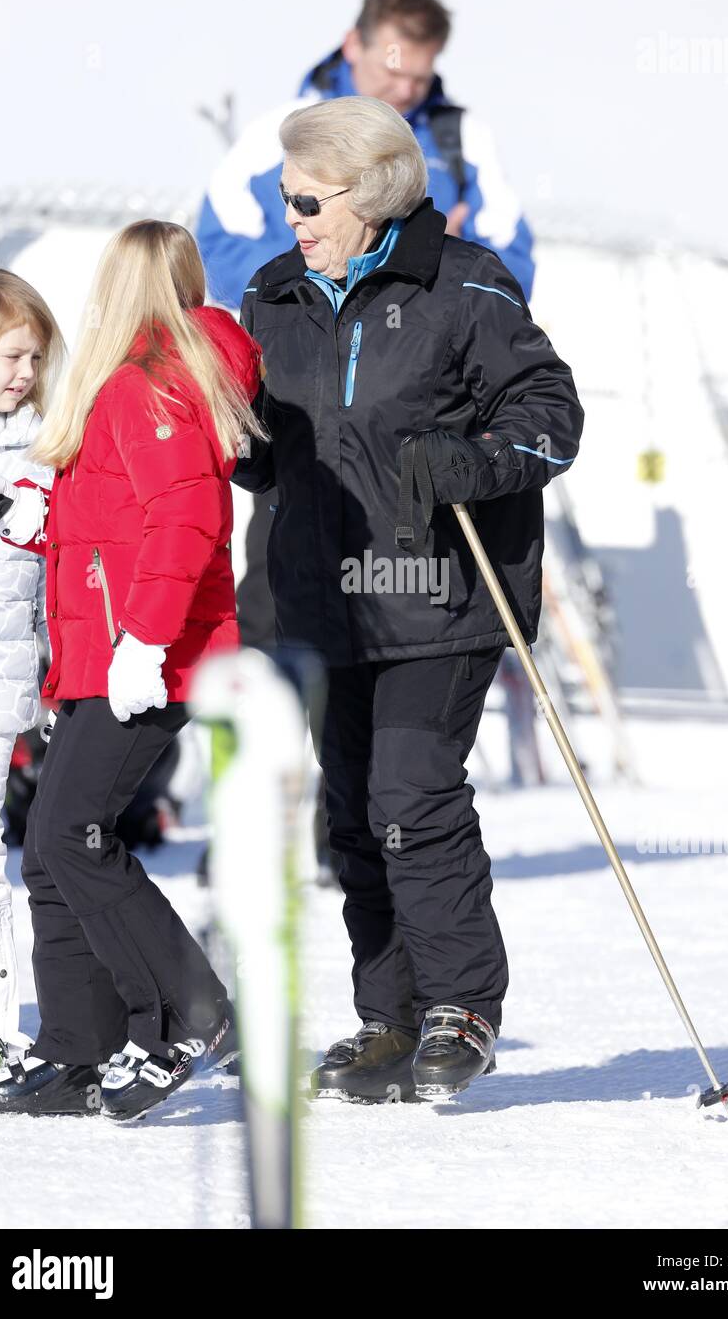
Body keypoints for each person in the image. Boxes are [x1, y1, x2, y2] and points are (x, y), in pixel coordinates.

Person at [232, 96, 584, 1103]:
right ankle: (385, 1017)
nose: (289, 212)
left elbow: (550, 420)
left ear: (371, 190)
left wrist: (467, 460)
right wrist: (228, 437)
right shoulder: (273, 294)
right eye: (282, 192)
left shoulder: (463, 286)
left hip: (436, 591)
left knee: (410, 797)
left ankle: (459, 1004)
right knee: (351, 817)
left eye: (306, 195)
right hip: (320, 597)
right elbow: (270, 461)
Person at [0, 221, 264, 1122]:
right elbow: (108, 522)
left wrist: (143, 640)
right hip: (105, 657)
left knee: (69, 839)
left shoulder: (151, 386)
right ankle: (75, 1047)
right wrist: (34, 517)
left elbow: (185, 523)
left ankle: (190, 1012)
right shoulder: (128, 387)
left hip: (147, 658)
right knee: (54, 855)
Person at [197, 0, 536, 309]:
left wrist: (450, 263)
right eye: (393, 72)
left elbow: (514, 275)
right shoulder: (279, 133)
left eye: (419, 78)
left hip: (422, 353)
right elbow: (216, 256)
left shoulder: (466, 140)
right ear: (354, 46)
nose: (405, 91)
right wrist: (328, 269)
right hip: (297, 351)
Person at [0, 267, 63, 1084]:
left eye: (35, 357)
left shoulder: (42, 451)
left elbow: (52, 573)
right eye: (10, 357)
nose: (25, 373)